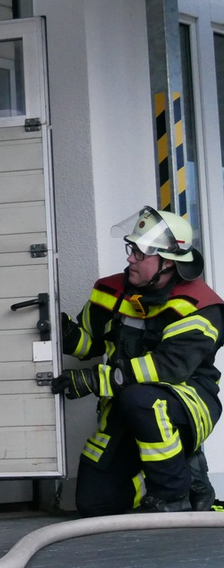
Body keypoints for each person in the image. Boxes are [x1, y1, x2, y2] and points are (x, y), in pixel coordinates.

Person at [52, 205, 224, 516]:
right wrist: (62, 332)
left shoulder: (200, 306)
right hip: (127, 406)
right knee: (94, 504)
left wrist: (94, 380)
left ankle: (176, 494)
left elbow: (168, 367)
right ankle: (163, 477)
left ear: (168, 262)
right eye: (131, 248)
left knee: (141, 398)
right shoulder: (110, 291)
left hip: (187, 404)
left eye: (141, 253)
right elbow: (90, 343)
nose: (130, 258)